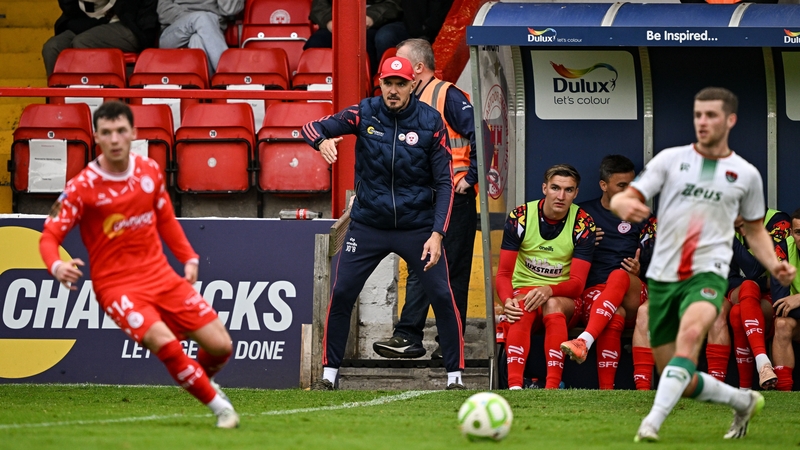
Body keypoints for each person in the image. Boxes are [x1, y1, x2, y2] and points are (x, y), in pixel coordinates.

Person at [611, 87, 795, 442]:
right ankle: (741, 400)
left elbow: (756, 231)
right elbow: (630, 195)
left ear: (730, 120)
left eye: (710, 115)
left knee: (691, 336)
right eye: (698, 115)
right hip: (664, 278)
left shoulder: (744, 174)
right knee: (676, 375)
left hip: (707, 275)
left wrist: (774, 264)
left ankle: (651, 423)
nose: (702, 122)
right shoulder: (670, 159)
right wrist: (623, 204)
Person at [39, 101, 239, 428]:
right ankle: (221, 408)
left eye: (121, 131)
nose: (115, 139)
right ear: (96, 137)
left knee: (221, 345)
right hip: (117, 286)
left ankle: (202, 381)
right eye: (106, 133)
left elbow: (165, 218)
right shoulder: (81, 187)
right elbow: (49, 236)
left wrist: (188, 257)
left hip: (160, 275)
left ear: (134, 132)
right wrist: (56, 266)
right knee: (164, 342)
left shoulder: (148, 171)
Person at [301, 56, 465, 390]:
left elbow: (446, 183)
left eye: (400, 84)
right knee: (343, 291)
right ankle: (329, 374)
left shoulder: (431, 121)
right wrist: (321, 142)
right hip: (368, 225)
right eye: (388, 83)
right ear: (380, 83)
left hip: (417, 227)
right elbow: (311, 127)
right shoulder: (364, 112)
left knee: (442, 295)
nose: (393, 90)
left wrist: (437, 233)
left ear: (412, 86)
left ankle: (455, 376)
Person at [372, 38, 477, 360]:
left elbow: (484, 136)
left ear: (417, 68)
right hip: (425, 198)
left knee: (448, 272)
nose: (396, 75)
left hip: (453, 198)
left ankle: (430, 341)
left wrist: (470, 179)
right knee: (427, 267)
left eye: (402, 65)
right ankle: (420, 339)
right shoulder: (409, 102)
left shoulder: (447, 94)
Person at [560, 155, 656, 390]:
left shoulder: (642, 216)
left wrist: (641, 267)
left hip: (632, 291)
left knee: (619, 276)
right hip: (596, 294)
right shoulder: (581, 214)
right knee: (613, 314)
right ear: (604, 185)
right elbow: (558, 252)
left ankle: (584, 340)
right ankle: (607, 391)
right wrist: (583, 246)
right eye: (621, 185)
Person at [498, 164, 596, 390]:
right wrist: (507, 300)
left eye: (569, 190)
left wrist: (549, 289)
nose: (561, 196)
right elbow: (503, 274)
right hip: (524, 292)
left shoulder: (583, 223)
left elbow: (578, 284)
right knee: (522, 306)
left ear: (576, 193)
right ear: (544, 188)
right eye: (555, 188)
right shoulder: (520, 217)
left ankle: (552, 387)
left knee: (551, 304)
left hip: (563, 297)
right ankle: (514, 387)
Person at [705, 210, 790, 389]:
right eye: (737, 228)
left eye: (744, 225)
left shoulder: (777, 222)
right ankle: (763, 364)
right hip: (744, 292)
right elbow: (728, 279)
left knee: (738, 311)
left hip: (773, 297)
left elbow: (754, 269)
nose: (742, 232)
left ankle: (744, 389)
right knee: (747, 287)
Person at [43, 0, 159, 77]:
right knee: (53, 47)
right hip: (86, 23)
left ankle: (91, 101)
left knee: (84, 42)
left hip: (131, 25)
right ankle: (58, 104)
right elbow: (69, 7)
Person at [305, 0, 402, 75]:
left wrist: (370, 17)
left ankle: (375, 84)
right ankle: (311, 85)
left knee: (368, 42)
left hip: (380, 22)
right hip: (337, 20)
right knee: (316, 42)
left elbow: (395, 4)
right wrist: (330, 21)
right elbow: (319, 5)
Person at [157, 0, 245, 74]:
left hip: (210, 35)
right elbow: (163, 10)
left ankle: (209, 90)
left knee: (197, 40)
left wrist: (204, 23)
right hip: (174, 33)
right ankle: (229, 76)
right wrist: (194, 19)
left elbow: (230, 10)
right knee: (202, 18)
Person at [771, 208, 800, 391]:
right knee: (781, 323)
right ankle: (784, 392)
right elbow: (780, 303)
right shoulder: (782, 249)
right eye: (798, 232)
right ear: (790, 233)